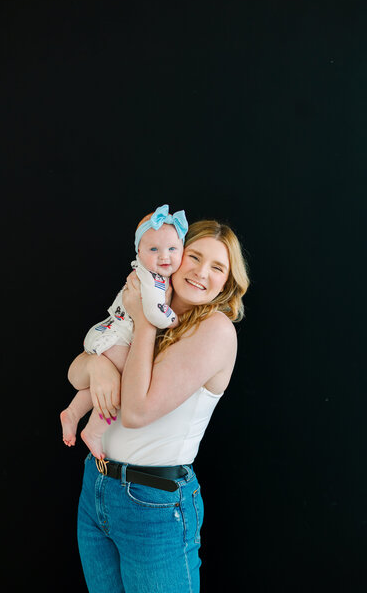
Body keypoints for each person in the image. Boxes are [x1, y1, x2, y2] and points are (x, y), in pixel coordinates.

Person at [68, 219, 250, 593]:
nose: (201, 272)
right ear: (175, 254)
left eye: (217, 267)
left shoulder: (214, 330)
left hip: (153, 506)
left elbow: (135, 413)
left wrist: (143, 320)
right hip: (98, 485)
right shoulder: (153, 303)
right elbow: (75, 374)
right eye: (194, 257)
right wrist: (98, 365)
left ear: (228, 282)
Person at [60, 204, 188, 460]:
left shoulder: (157, 277)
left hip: (111, 333)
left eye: (173, 249)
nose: (165, 256)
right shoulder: (151, 279)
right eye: (154, 249)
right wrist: (173, 319)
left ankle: (72, 412)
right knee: (122, 386)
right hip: (117, 338)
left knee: (107, 382)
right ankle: (94, 431)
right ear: (139, 252)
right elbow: (154, 313)